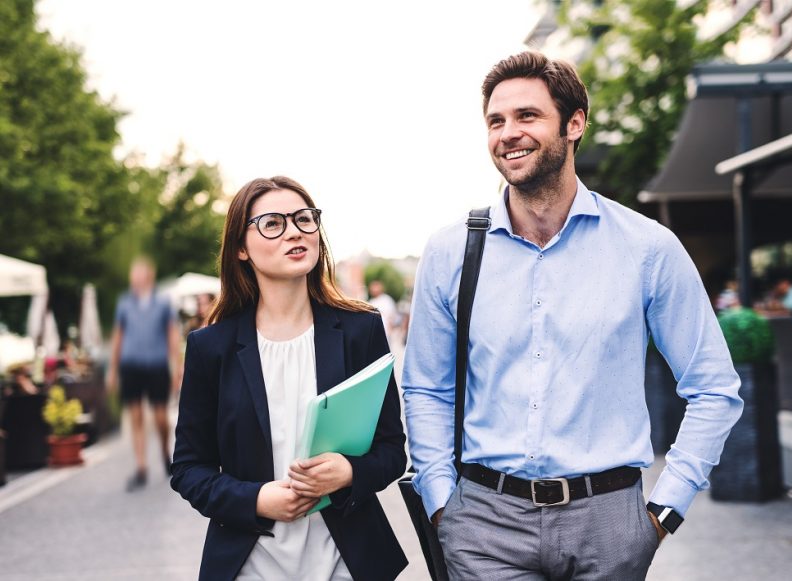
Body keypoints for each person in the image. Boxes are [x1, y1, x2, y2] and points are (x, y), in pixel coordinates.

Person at [402, 52, 743, 580]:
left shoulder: (647, 247)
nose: (508, 133)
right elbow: (426, 388)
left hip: (610, 523)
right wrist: (442, 505)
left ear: (575, 123)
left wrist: (662, 512)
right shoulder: (450, 253)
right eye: (496, 120)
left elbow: (714, 389)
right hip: (484, 525)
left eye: (527, 116)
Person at [170, 176, 407, 581]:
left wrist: (349, 473)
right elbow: (190, 469)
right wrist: (257, 498)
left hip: (346, 562)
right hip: (251, 564)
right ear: (241, 248)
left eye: (303, 219)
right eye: (272, 224)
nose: (294, 231)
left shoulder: (360, 330)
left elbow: (391, 451)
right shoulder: (212, 348)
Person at [107, 257, 181, 491]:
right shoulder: (125, 303)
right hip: (131, 365)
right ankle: (141, 466)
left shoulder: (162, 302)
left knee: (160, 416)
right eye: (133, 273)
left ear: (149, 275)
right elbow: (118, 336)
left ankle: (164, 451)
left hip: (157, 365)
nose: (135, 278)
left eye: (139, 273)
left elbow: (172, 334)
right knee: (136, 416)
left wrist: (178, 365)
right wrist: (112, 369)